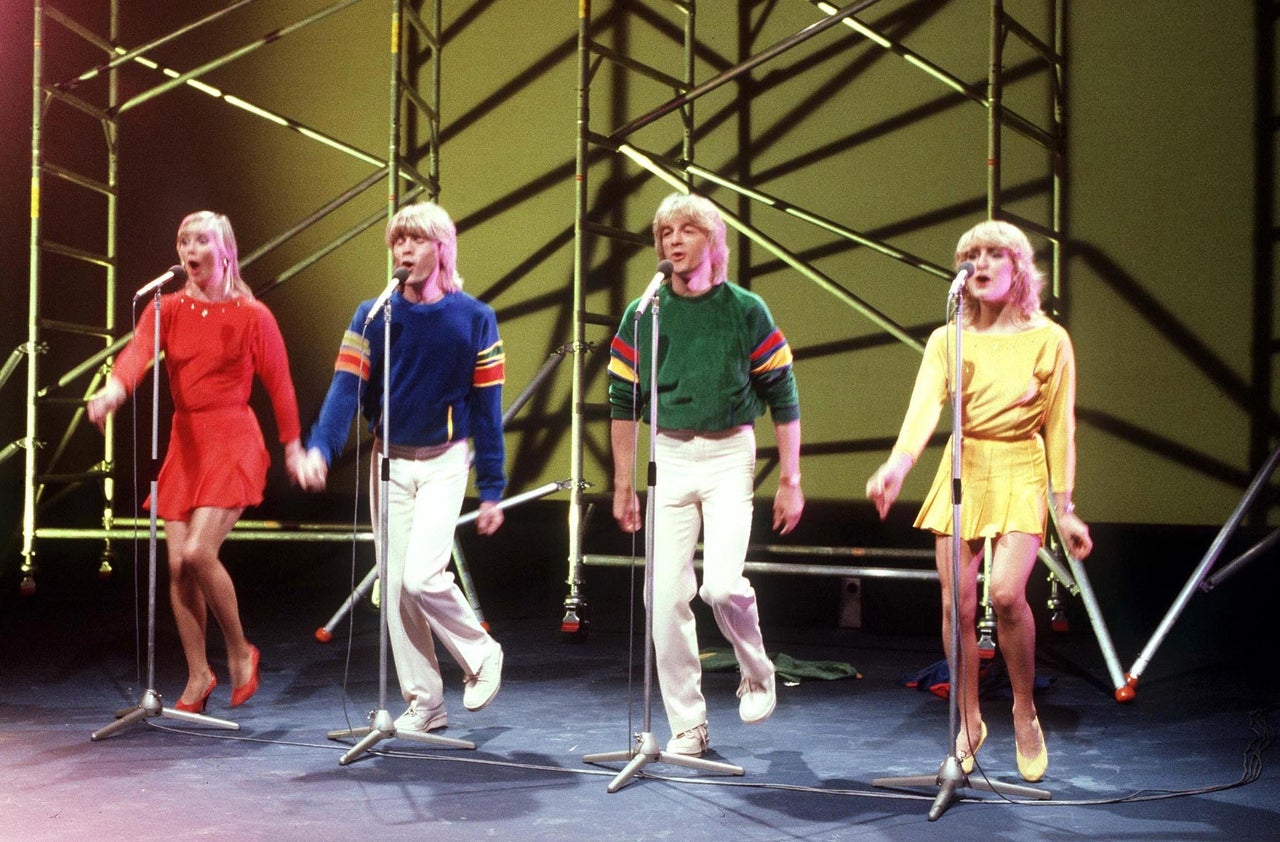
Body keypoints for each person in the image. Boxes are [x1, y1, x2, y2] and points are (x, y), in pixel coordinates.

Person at [864, 219, 1093, 783]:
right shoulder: (949, 337)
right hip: (964, 465)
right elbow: (924, 409)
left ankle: (1022, 708)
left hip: (1021, 465)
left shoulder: (1049, 339)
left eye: (995, 254)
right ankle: (967, 720)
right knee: (955, 604)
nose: (981, 263)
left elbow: (1060, 429)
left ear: (1018, 269)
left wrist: (1064, 507)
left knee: (1006, 593)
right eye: (972, 255)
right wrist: (897, 466)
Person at [296, 200, 506, 735]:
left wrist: (492, 489)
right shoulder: (372, 315)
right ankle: (425, 703)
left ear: (442, 248)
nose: (405, 250)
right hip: (388, 462)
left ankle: (481, 653)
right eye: (398, 242)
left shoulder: (475, 317)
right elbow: (346, 390)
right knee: (394, 588)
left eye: (415, 240)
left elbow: (487, 410)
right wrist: (321, 447)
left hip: (444, 462)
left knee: (421, 575)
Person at [608, 192, 804, 758]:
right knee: (663, 596)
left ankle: (757, 668)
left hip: (727, 458)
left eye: (687, 230)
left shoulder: (746, 309)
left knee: (720, 585)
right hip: (668, 457)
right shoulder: (644, 312)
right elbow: (623, 398)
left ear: (712, 240)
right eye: (665, 232)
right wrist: (623, 483)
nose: (673, 241)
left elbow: (783, 395)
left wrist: (790, 478)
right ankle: (688, 724)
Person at [88, 210, 304, 713]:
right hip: (186, 443)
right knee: (177, 567)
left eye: (201, 239)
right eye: (183, 239)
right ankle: (197, 675)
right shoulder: (165, 309)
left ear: (224, 249)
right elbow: (135, 356)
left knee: (198, 554)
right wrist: (112, 393)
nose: (190, 248)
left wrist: (293, 445)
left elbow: (280, 383)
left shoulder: (254, 315)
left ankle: (239, 652)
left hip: (232, 439)